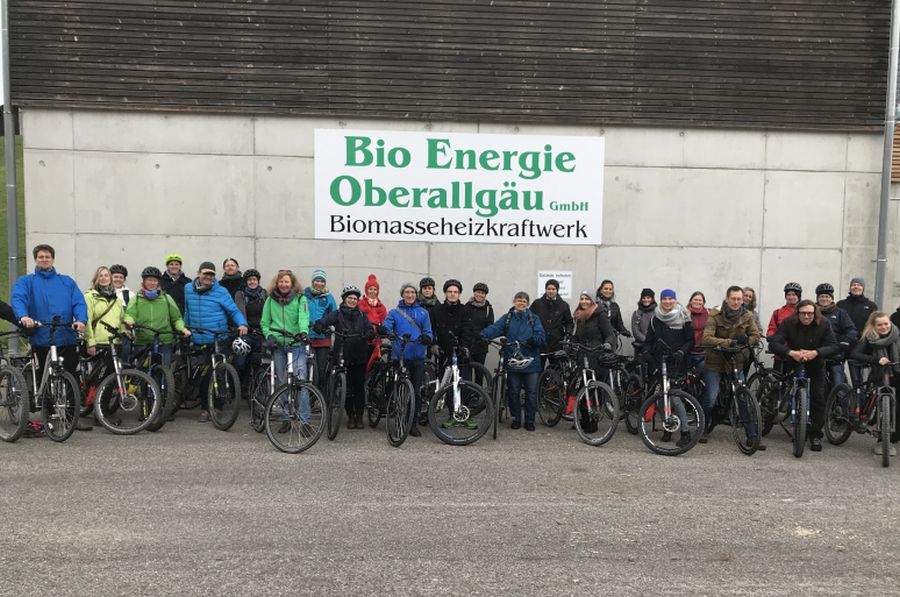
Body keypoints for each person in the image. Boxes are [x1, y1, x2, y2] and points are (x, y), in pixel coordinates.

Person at [11, 244, 91, 431]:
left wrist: (80, 320)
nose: (44, 259)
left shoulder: (66, 282)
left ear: (53, 259)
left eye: (47, 256)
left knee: (71, 374)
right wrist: (24, 316)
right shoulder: (26, 282)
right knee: (44, 377)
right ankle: (47, 414)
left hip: (65, 335)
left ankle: (72, 417)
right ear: (36, 260)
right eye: (40, 257)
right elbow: (18, 298)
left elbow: (79, 301)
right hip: (41, 336)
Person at [768, 300, 840, 452]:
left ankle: (815, 434)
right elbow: (774, 343)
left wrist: (816, 353)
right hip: (793, 361)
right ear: (798, 313)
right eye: (803, 313)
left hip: (816, 364)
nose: (807, 316)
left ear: (815, 313)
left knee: (818, 397)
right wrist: (790, 353)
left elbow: (833, 345)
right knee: (781, 388)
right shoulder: (788, 322)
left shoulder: (824, 323)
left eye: (810, 313)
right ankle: (776, 412)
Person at [183, 261, 249, 422]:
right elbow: (187, 310)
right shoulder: (188, 289)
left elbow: (233, 310)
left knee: (219, 373)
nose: (208, 277)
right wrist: (185, 328)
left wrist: (242, 323)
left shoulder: (221, 291)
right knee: (203, 376)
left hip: (218, 338)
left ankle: (216, 408)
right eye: (205, 273)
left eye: (211, 274)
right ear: (198, 273)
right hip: (198, 338)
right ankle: (205, 407)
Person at [701, 286, 763, 446]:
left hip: (736, 361)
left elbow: (756, 335)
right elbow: (706, 338)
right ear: (727, 299)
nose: (736, 302)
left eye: (739, 299)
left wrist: (747, 341)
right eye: (733, 299)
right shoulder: (715, 315)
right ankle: (703, 429)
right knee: (711, 397)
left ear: (742, 300)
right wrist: (729, 342)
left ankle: (752, 435)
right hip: (715, 362)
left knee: (742, 396)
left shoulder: (747, 316)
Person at [480, 291, 546, 431]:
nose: (521, 303)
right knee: (514, 391)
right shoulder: (507, 318)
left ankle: (529, 420)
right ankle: (516, 418)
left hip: (531, 361)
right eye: (519, 300)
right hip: (512, 360)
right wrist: (483, 335)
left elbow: (541, 337)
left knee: (531, 392)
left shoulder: (534, 318)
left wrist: (532, 340)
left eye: (524, 301)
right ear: (514, 302)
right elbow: (496, 328)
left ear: (527, 304)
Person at [313, 285, 374, 429]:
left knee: (359, 386)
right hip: (342, 353)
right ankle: (350, 415)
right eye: (350, 298)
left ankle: (359, 416)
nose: (352, 301)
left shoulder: (361, 315)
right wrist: (319, 325)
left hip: (359, 354)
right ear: (345, 299)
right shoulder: (338, 313)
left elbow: (369, 328)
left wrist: (369, 333)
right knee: (347, 387)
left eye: (355, 298)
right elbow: (324, 320)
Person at [642, 289, 694, 448]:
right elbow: (649, 340)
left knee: (676, 398)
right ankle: (668, 426)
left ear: (675, 300)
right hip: (659, 362)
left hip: (677, 362)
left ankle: (685, 432)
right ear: (661, 300)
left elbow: (691, 341)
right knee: (660, 396)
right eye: (664, 299)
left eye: (671, 298)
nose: (667, 301)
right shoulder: (655, 318)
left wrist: (681, 351)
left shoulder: (684, 317)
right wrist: (646, 352)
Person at [383, 283, 433, 437]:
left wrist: (427, 338)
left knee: (416, 392)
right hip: (401, 356)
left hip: (417, 356)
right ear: (402, 294)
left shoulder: (423, 313)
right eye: (407, 292)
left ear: (416, 295)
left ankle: (412, 422)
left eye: (412, 292)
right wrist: (386, 331)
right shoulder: (394, 312)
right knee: (400, 388)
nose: (410, 295)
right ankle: (397, 415)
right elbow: (386, 325)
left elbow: (429, 332)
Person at [850, 311, 900, 456]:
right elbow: (855, 354)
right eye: (879, 325)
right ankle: (883, 441)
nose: (884, 327)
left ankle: (893, 437)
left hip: (898, 373)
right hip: (881, 374)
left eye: (886, 324)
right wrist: (876, 360)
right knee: (889, 405)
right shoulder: (870, 338)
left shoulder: (897, 334)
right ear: (874, 326)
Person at [124, 266, 190, 369]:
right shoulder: (136, 299)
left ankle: (164, 385)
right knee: (143, 372)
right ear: (144, 282)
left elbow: (176, 318)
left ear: (158, 283)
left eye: (155, 280)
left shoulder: (166, 298)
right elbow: (130, 314)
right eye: (149, 280)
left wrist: (182, 328)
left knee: (164, 371)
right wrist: (129, 321)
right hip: (143, 341)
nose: (152, 283)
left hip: (164, 341)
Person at [815, 282, 857, 386]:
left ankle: (840, 401)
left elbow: (852, 330)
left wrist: (845, 341)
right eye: (822, 296)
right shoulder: (812, 312)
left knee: (838, 384)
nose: (824, 299)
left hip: (835, 353)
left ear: (831, 298)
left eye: (827, 296)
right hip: (816, 353)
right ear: (817, 298)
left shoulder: (840, 313)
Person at [83, 265, 125, 363]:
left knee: (114, 376)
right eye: (100, 276)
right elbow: (87, 320)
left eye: (106, 275)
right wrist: (90, 342)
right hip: (98, 343)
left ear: (110, 279)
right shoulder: (90, 297)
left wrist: (125, 332)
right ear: (96, 279)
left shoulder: (116, 300)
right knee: (99, 377)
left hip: (115, 343)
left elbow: (122, 319)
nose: (103, 278)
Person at [304, 269, 338, 387]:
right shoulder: (304, 296)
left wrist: (325, 325)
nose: (320, 283)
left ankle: (321, 397)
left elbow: (334, 315)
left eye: (322, 281)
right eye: (317, 280)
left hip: (323, 338)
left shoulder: (329, 298)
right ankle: (309, 395)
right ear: (313, 282)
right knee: (308, 369)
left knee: (321, 369)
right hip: (307, 337)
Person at [234, 268, 267, 387]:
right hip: (246, 331)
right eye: (249, 280)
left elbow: (268, 313)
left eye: (254, 279)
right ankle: (239, 386)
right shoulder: (240, 294)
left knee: (259, 361)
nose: (252, 282)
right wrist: (244, 326)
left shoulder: (264, 293)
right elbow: (240, 311)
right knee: (240, 362)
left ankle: (257, 387)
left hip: (261, 332)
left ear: (258, 281)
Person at [429, 279, 470, 372]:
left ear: (459, 294)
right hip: (442, 353)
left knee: (460, 383)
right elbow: (431, 330)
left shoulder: (465, 310)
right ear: (445, 293)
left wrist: (465, 346)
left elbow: (467, 330)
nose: (452, 294)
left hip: (460, 354)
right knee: (443, 381)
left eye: (456, 292)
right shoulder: (436, 310)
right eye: (450, 291)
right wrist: (434, 344)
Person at [530, 279, 573, 361]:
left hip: (556, 344)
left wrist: (568, 334)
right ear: (545, 290)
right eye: (548, 289)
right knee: (538, 371)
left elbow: (569, 322)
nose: (550, 291)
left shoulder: (564, 305)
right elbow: (529, 318)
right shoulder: (537, 303)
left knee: (555, 371)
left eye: (553, 289)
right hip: (540, 343)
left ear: (557, 290)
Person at [464, 282, 494, 385]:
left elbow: (490, 327)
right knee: (466, 373)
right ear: (474, 293)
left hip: (481, 347)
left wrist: (486, 339)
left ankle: (478, 397)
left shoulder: (488, 309)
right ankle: (467, 397)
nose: (480, 295)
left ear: (485, 295)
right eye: (478, 292)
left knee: (479, 373)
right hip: (467, 345)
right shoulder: (467, 306)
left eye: (482, 293)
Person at [358, 274, 387, 371]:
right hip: (363, 339)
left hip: (376, 340)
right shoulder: (360, 303)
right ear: (366, 290)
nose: (372, 291)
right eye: (370, 289)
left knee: (375, 365)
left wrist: (383, 329)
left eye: (375, 289)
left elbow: (385, 321)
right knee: (363, 364)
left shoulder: (381, 306)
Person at [687, 291, 709, 372]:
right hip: (687, 352)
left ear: (703, 302)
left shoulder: (709, 313)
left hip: (702, 352)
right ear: (690, 301)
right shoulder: (684, 313)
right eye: (695, 299)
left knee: (701, 377)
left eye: (700, 300)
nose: (697, 302)